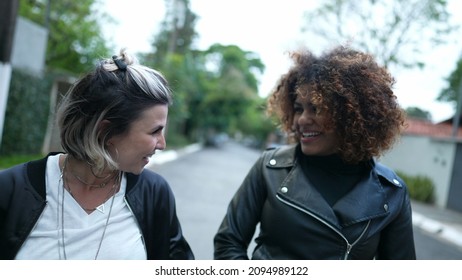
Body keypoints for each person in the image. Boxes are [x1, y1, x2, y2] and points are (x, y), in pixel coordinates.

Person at [214, 45, 416, 260]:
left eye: (316, 109)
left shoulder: (392, 193)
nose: (301, 119)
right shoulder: (270, 168)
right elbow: (229, 242)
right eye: (299, 108)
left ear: (350, 116)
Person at [0, 50, 194, 260]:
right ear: (105, 132)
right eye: (154, 131)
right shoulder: (11, 190)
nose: (162, 144)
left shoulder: (154, 194)